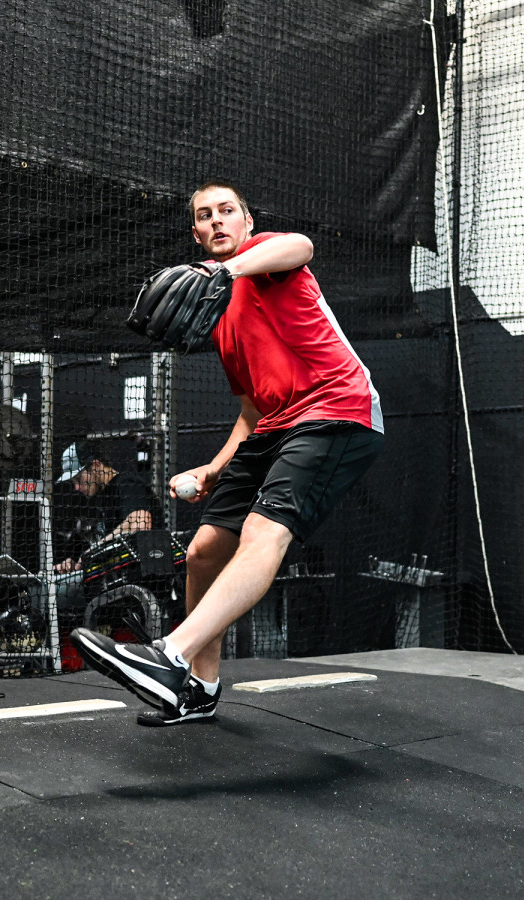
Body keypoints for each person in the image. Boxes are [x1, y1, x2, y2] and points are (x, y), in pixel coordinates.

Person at [72, 180, 384, 726]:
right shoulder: (219, 321)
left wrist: (227, 270)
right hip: (275, 426)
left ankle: (170, 654)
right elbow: (251, 412)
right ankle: (199, 688)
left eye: (226, 212)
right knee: (203, 553)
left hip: (338, 410)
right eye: (204, 216)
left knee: (266, 532)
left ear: (245, 220)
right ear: (195, 233)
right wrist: (214, 469)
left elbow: (303, 246)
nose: (216, 221)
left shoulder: (267, 260)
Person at [36, 441, 161, 621]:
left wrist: (91, 554)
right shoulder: (100, 498)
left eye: (78, 480)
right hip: (112, 590)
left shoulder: (128, 484)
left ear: (95, 465)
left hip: (137, 591)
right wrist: (77, 565)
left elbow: (140, 523)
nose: (77, 488)